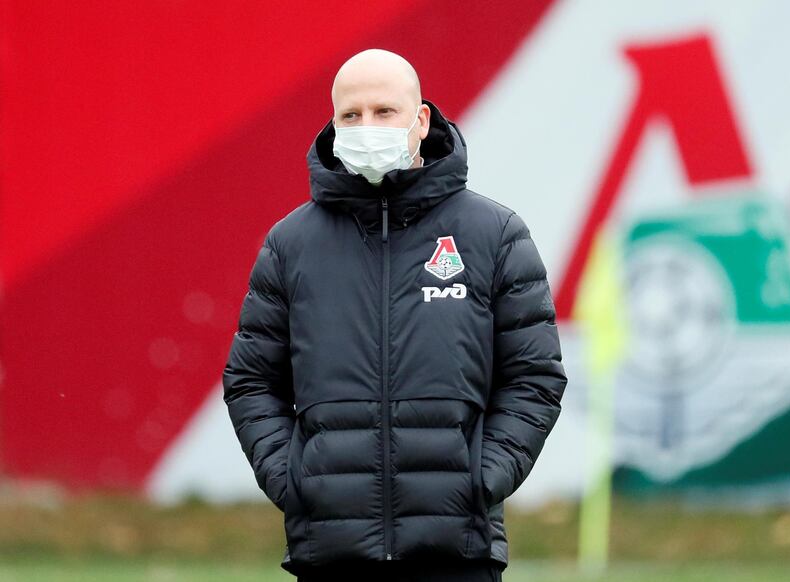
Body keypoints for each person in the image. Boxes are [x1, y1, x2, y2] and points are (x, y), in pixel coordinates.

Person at [222, 48, 568, 581]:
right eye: (351, 115)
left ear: (421, 119)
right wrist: (295, 480)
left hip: (458, 554)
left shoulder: (494, 235)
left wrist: (482, 476)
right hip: (330, 553)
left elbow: (534, 376)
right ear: (333, 125)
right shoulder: (290, 245)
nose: (368, 127)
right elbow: (250, 381)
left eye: (385, 112)